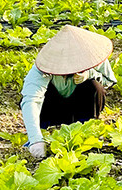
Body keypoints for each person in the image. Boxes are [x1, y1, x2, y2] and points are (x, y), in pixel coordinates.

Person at [21, 25, 117, 160]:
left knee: (95, 86)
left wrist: (90, 74)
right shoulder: (41, 69)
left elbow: (109, 81)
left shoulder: (93, 57)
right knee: (39, 94)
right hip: (52, 111)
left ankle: (86, 126)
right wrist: (35, 139)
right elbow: (30, 100)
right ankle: (44, 129)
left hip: (79, 109)